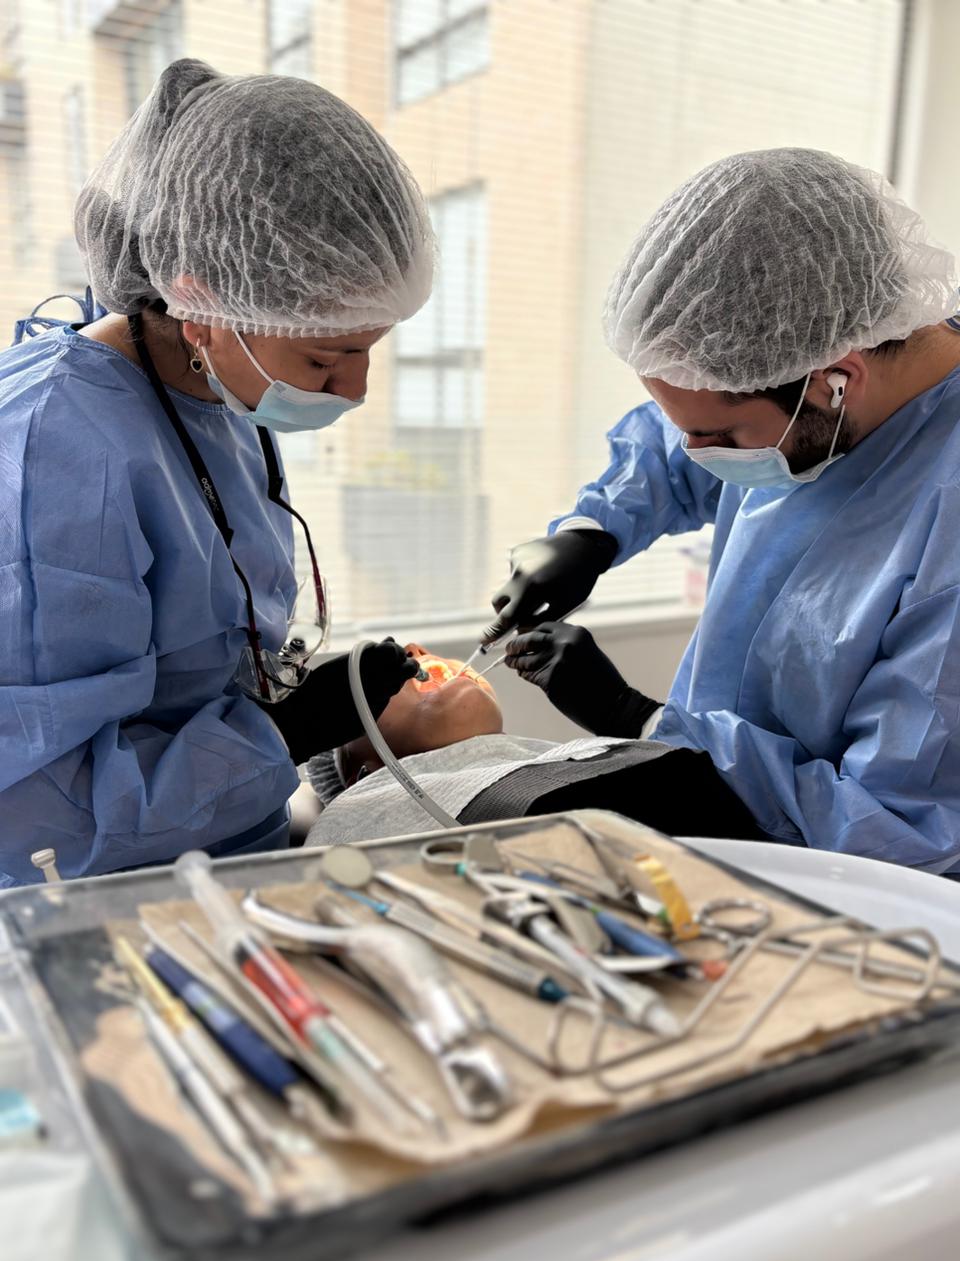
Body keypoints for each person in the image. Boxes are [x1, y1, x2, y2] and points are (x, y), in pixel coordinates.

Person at [0, 59, 435, 885]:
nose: (355, 389)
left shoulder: (215, 389)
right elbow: (38, 807)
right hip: (101, 897)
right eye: (326, 357)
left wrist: (288, 715)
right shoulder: (50, 451)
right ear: (200, 303)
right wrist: (281, 734)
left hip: (228, 854)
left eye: (368, 349)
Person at [495, 148, 960, 872]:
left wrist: (638, 720)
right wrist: (594, 531)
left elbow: (900, 830)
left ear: (835, 382)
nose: (695, 452)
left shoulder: (944, 522)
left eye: (720, 438)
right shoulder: (797, 387)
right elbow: (682, 439)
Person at [306, 645, 764, 844]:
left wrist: (632, 715)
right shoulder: (357, 821)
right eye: (367, 683)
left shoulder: (586, 761)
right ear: (362, 775)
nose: (413, 651)